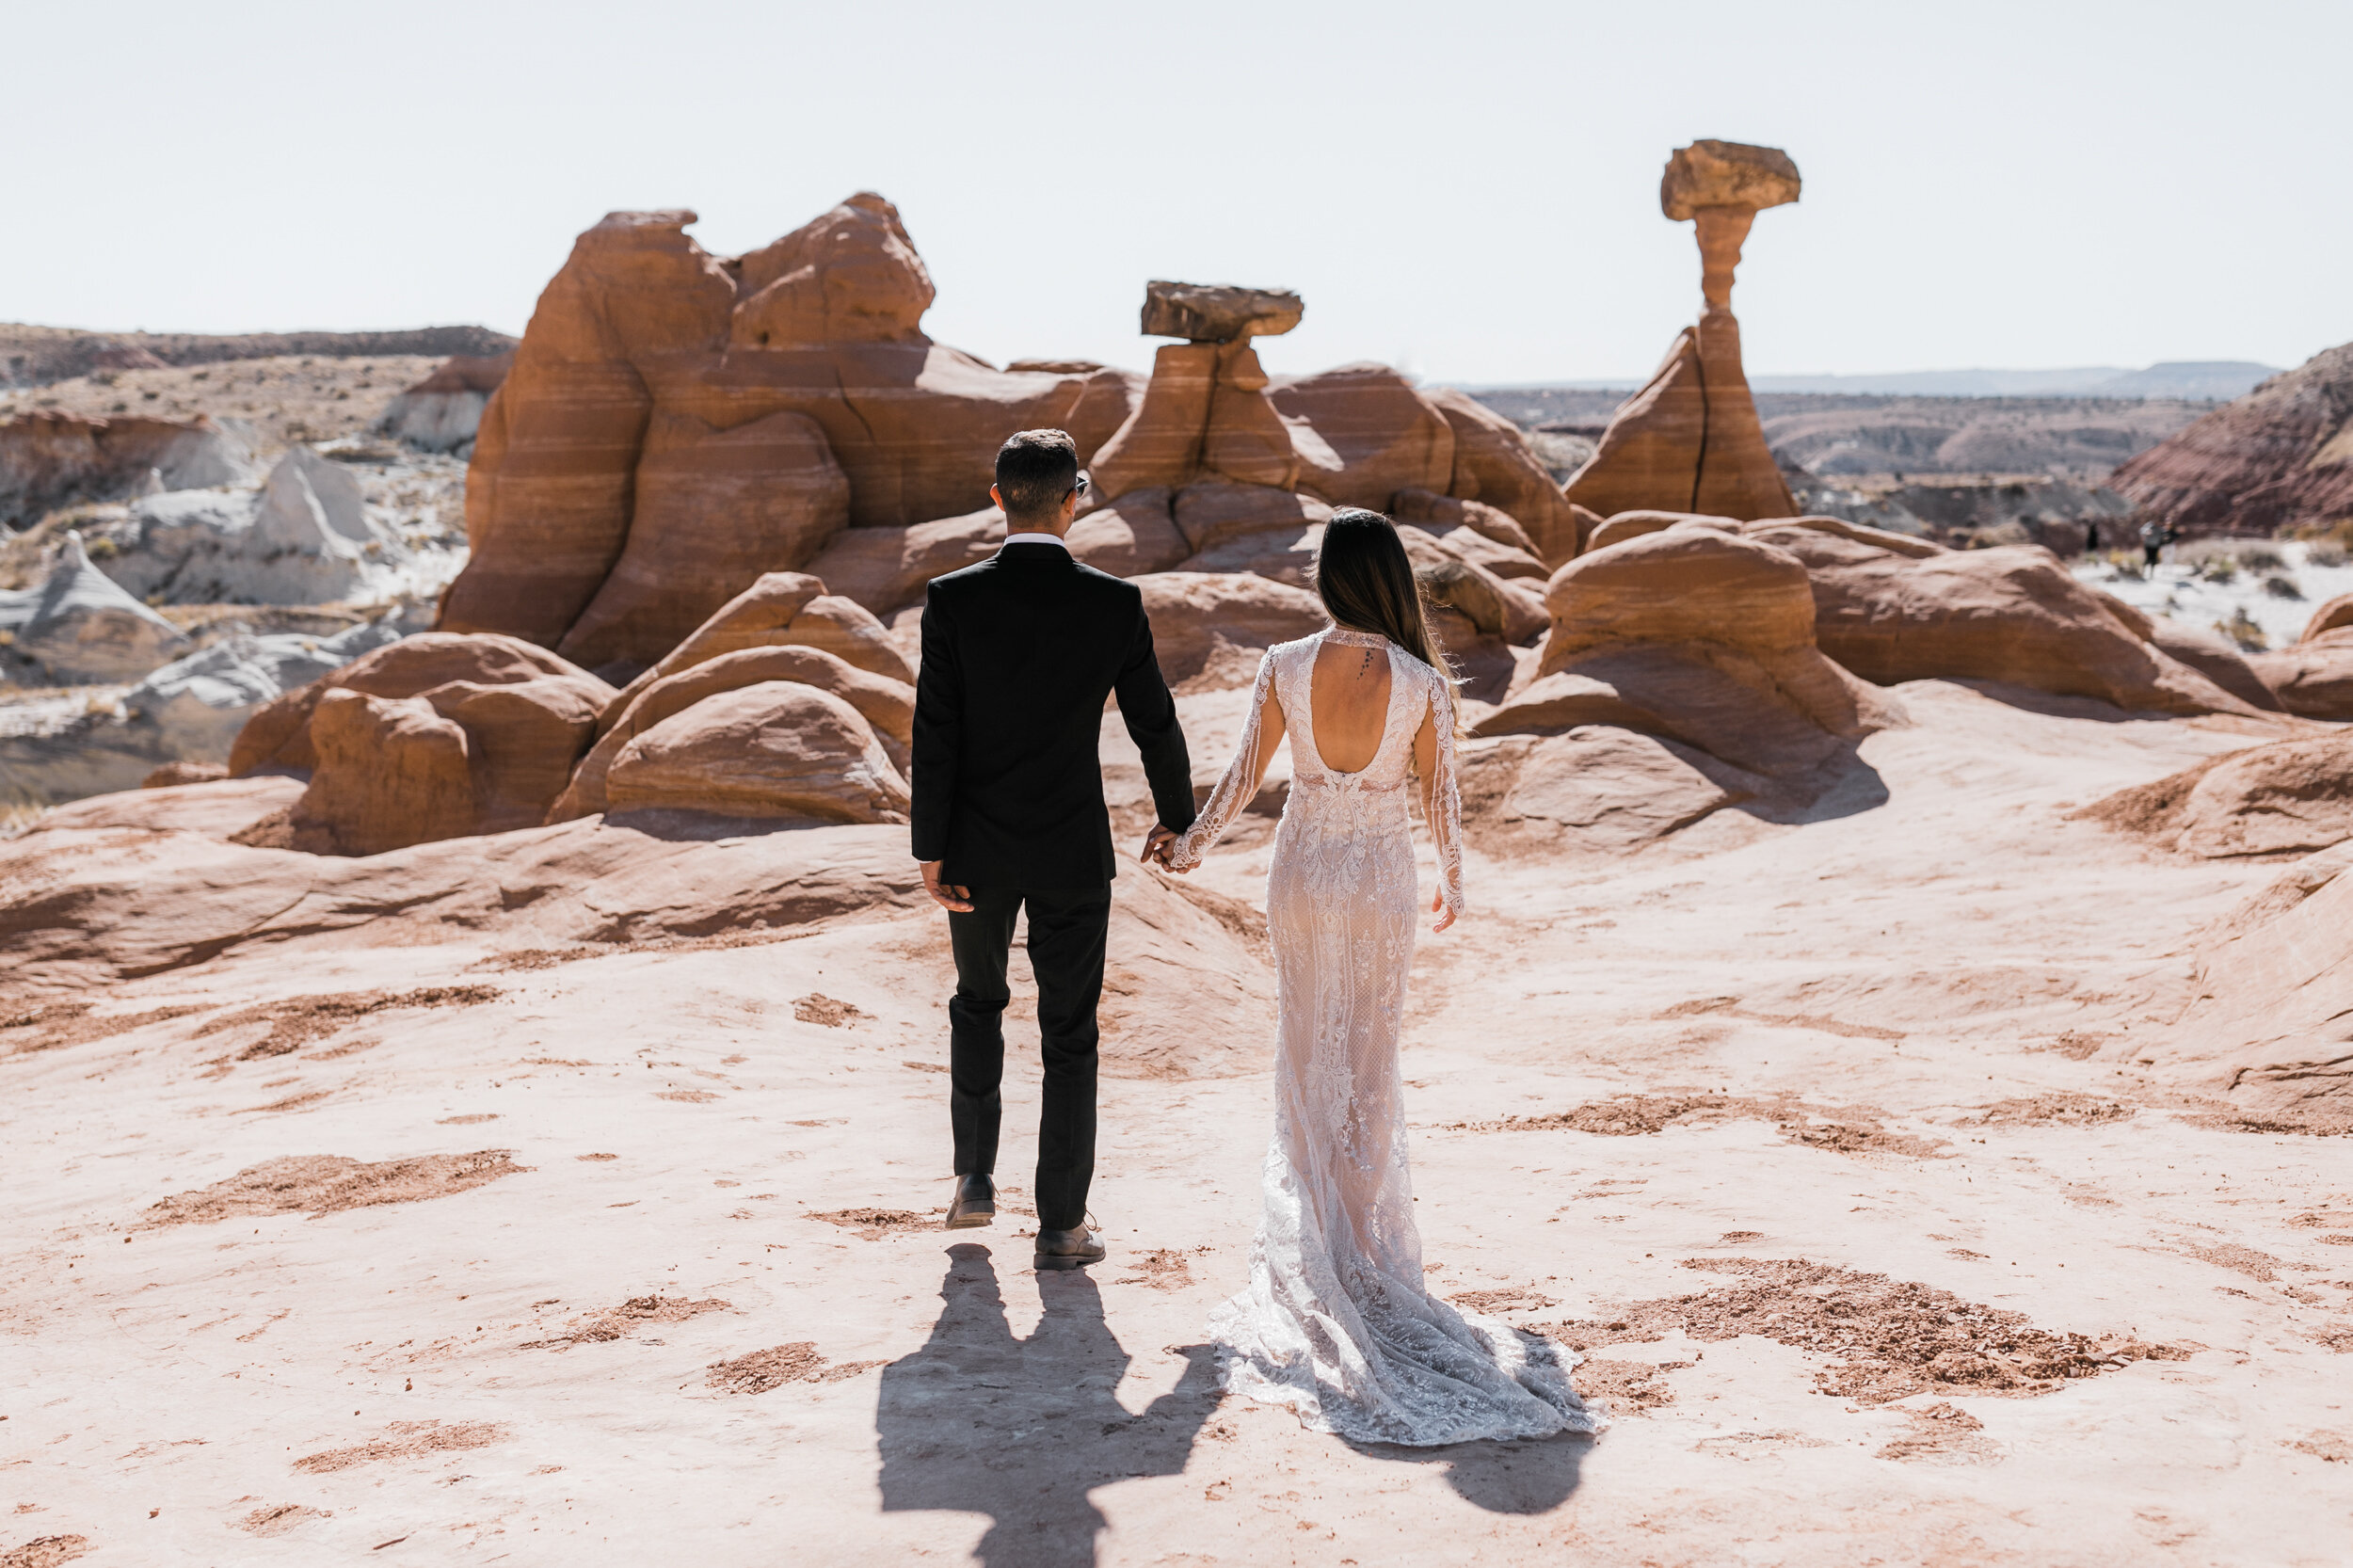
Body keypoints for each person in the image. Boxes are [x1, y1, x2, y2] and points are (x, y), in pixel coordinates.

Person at [1154, 507, 1601, 1446]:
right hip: (1378, 878)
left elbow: (1244, 775)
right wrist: (1454, 880)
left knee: (1301, 1050)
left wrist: (1192, 843)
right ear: (1391, 581)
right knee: (1367, 1061)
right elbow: (1439, 796)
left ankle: (1315, 1247)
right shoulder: (1421, 681)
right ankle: (1357, 1249)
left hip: (1304, 871)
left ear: (1327, 580)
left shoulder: (1282, 664)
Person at [909, 428, 1197, 1272]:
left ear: (997, 498)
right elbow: (1155, 721)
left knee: (977, 1002)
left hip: (975, 848)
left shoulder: (952, 597)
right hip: (1073, 848)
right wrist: (1177, 818)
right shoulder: (1113, 603)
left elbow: (937, 732)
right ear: (1076, 498)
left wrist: (931, 846)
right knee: (1070, 1032)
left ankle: (973, 1178)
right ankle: (1062, 1226)